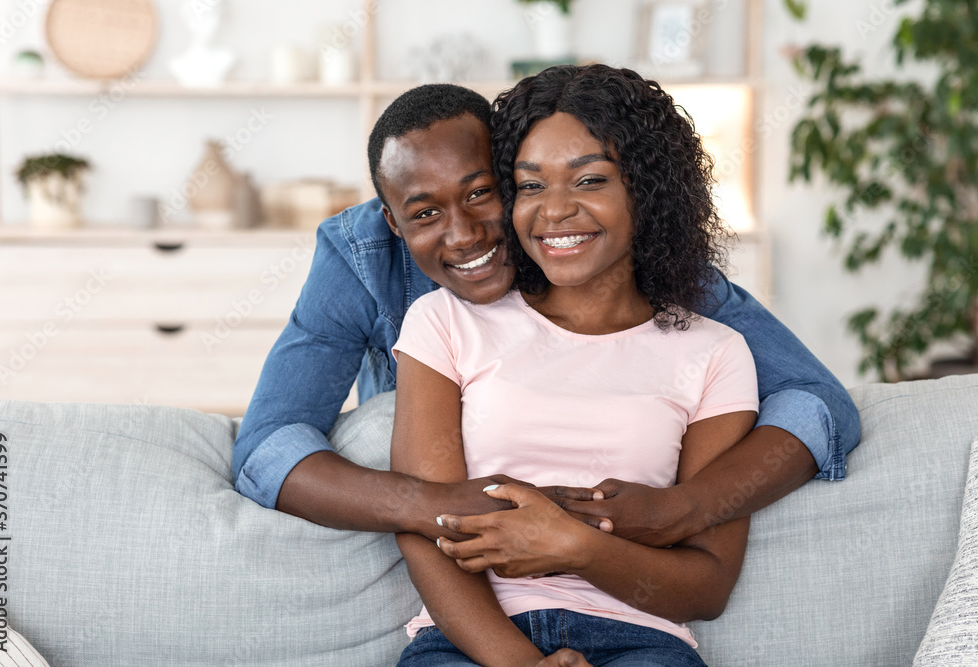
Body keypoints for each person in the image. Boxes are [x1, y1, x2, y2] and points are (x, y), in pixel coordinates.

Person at [231, 83, 860, 558]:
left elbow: (817, 403)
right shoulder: (362, 254)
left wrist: (688, 508)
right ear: (395, 220)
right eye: (425, 212)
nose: (465, 234)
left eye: (484, 193)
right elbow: (269, 444)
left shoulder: (620, 253)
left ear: (516, 172)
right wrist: (433, 504)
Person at [389, 64, 756, 667]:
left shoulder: (715, 353)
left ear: (647, 189)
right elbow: (427, 528)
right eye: (530, 186)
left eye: (588, 180)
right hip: (469, 646)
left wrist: (575, 546)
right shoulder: (445, 322)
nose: (553, 211)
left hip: (641, 643)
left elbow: (707, 586)